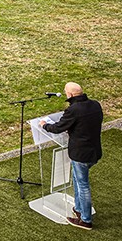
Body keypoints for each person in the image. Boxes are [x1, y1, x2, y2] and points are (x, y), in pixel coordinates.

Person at [40, 83, 103, 230]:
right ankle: (79, 210)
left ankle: (85, 220)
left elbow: (57, 128)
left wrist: (44, 125)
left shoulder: (73, 110)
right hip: (94, 151)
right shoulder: (95, 105)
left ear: (71, 95)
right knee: (77, 180)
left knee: (83, 185)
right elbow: (90, 124)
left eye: (66, 92)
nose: (65, 94)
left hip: (81, 154)